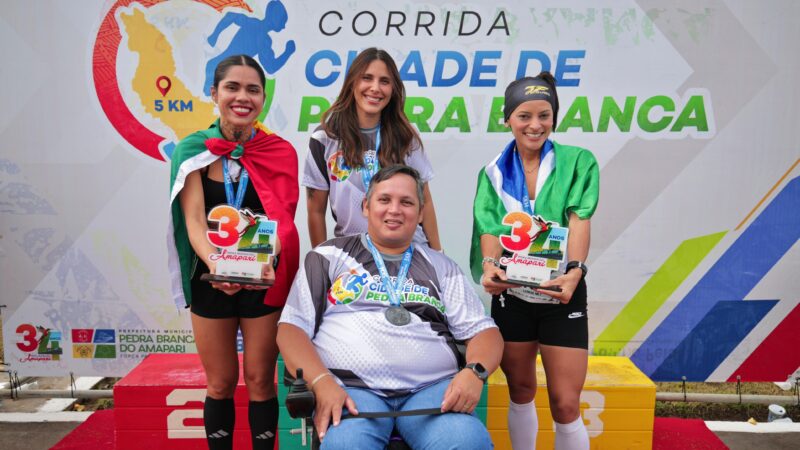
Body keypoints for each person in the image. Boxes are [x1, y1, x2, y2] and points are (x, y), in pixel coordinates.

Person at [278, 165, 503, 449]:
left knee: (468, 442)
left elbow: (484, 333)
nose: (394, 210)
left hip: (431, 392)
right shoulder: (327, 256)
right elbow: (291, 330)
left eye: (406, 202)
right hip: (351, 391)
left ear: (420, 213)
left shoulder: (441, 265)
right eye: (384, 200)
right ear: (366, 206)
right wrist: (322, 382)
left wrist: (475, 372)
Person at [168, 54, 299, 450]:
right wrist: (220, 266)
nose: (243, 97)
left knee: (261, 380)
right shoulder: (192, 151)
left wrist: (254, 267)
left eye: (253, 89)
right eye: (232, 87)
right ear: (214, 93)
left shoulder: (280, 151)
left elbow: (284, 221)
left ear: (263, 98)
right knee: (221, 382)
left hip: (262, 281)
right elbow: (192, 221)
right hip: (210, 279)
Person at [470, 72, 600, 450]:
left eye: (544, 115)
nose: (535, 124)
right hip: (513, 294)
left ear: (554, 118)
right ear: (508, 118)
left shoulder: (578, 161)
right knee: (521, 389)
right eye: (524, 115)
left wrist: (575, 272)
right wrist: (490, 265)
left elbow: (580, 219)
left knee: (565, 402)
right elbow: (490, 228)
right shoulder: (493, 172)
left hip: (563, 292)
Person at [303, 47, 442, 250]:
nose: (375, 88)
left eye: (384, 81)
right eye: (367, 78)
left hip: (406, 251)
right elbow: (315, 210)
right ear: (352, 83)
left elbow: (425, 201)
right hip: (351, 251)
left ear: (393, 89)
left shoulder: (405, 136)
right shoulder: (325, 138)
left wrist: (438, 253)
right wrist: (322, 261)